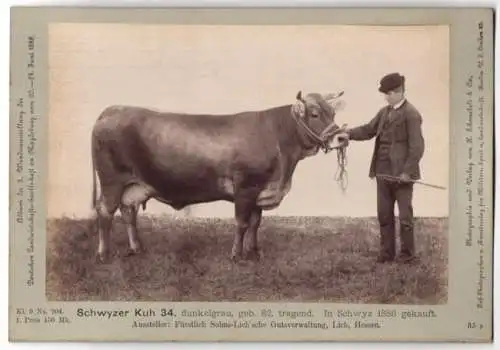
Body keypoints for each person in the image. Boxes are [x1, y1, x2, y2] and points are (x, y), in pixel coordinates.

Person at [337, 72, 425, 263]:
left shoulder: (412, 114)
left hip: (402, 176)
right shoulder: (384, 112)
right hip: (382, 173)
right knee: (384, 215)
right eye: (385, 94)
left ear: (399, 91)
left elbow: (417, 148)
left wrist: (407, 172)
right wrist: (348, 134)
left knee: (405, 218)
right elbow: (368, 130)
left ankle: (407, 256)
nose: (386, 97)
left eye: (389, 93)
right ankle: (387, 254)